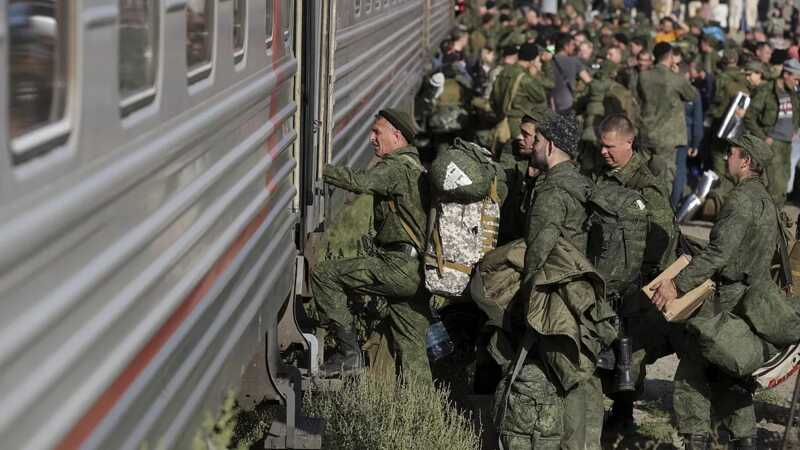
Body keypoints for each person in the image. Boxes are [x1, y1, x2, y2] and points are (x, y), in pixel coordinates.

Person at [652, 133, 778, 450]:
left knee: (691, 371)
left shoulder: (740, 200)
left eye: (732, 153)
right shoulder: (766, 199)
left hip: (727, 299)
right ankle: (744, 439)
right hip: (751, 296)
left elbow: (718, 254)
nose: (726, 158)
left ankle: (696, 438)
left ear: (746, 160)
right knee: (728, 374)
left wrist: (676, 284)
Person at [311, 109, 432, 383]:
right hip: (417, 271)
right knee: (413, 351)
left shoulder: (396, 167)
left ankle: (349, 355)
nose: (371, 138)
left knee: (325, 275)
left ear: (396, 136)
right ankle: (424, 411)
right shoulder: (415, 167)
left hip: (397, 268)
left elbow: (360, 182)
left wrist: (317, 168)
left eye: (377, 132)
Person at [591, 114, 681, 435]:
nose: (603, 152)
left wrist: (645, 280)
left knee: (629, 352)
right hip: (605, 276)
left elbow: (663, 237)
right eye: (600, 145)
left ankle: (623, 413)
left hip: (635, 283)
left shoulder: (646, 186)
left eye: (609, 146)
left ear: (629, 143)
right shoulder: (600, 174)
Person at [637, 42, 698, 188]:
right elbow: (691, 95)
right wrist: (678, 74)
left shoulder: (643, 76)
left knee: (643, 173)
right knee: (664, 178)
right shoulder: (675, 78)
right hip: (667, 136)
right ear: (670, 56)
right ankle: (661, 209)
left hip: (646, 131)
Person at [743, 58, 800, 205]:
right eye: (795, 78)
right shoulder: (766, 91)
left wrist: (795, 128)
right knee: (774, 186)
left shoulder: (792, 92)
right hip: (771, 144)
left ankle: (775, 221)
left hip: (787, 144)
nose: (797, 83)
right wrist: (763, 137)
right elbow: (749, 117)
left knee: (783, 186)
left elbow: (796, 112)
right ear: (786, 74)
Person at [550, 32, 592, 115]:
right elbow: (589, 81)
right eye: (572, 44)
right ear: (566, 46)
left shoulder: (548, 62)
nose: (574, 47)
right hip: (567, 106)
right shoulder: (574, 61)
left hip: (551, 106)